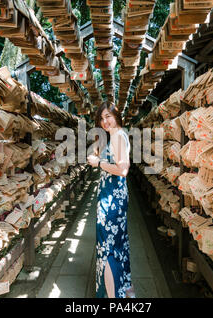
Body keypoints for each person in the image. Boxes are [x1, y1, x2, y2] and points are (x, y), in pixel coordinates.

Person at [87, 102, 135, 298]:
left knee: (107, 246)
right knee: (117, 243)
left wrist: (98, 162)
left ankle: (112, 297)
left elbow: (123, 170)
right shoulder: (118, 135)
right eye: (101, 118)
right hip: (115, 195)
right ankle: (124, 289)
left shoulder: (117, 136)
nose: (104, 121)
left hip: (111, 199)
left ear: (116, 115)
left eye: (108, 116)